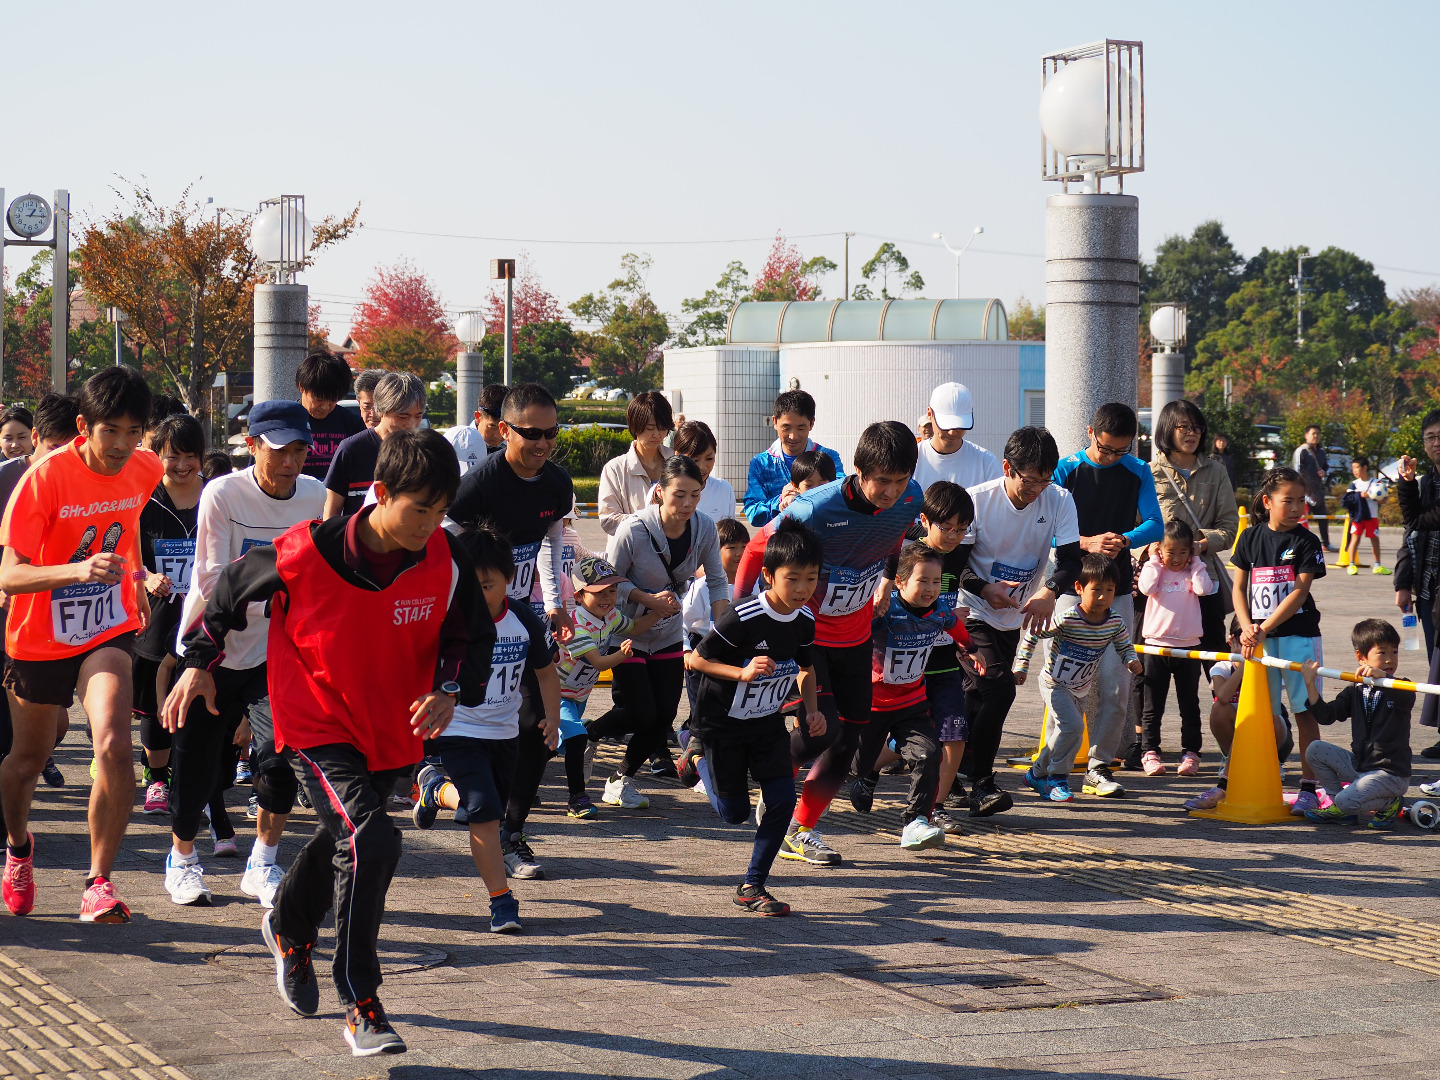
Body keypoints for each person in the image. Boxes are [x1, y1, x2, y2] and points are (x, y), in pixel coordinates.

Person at [166, 428, 480, 1057]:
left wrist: (449, 687)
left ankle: (287, 923)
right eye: (420, 509)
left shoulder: (445, 555)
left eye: (442, 511)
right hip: (314, 718)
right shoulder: (308, 550)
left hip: (390, 723)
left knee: (348, 837)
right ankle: (361, 1001)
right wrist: (199, 661)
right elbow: (226, 590)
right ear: (380, 492)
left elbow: (467, 632)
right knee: (373, 838)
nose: (430, 525)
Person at [0, 366, 162, 922]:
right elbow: (9, 575)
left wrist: (133, 578)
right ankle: (18, 848)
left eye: (133, 432)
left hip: (106, 626)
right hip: (38, 634)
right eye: (109, 431)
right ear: (82, 427)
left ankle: (98, 882)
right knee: (26, 761)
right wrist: (77, 571)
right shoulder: (43, 480)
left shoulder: (145, 466)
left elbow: (128, 522)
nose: (121, 445)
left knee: (115, 745)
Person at [734, 420, 921, 864]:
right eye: (882, 481)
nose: (891, 492)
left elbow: (893, 538)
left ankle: (798, 828)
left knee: (850, 738)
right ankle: (773, 782)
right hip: (807, 633)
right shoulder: (815, 508)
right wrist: (742, 619)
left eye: (900, 481)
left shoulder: (911, 498)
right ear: (858, 470)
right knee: (823, 729)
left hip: (855, 635)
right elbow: (756, 550)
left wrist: (886, 580)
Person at [165, 400, 328, 908]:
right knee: (197, 769)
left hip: (273, 651)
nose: (290, 462)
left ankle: (262, 862)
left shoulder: (315, 496)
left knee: (279, 760)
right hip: (211, 647)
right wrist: (280, 598)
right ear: (252, 445)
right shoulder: (223, 494)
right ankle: (182, 859)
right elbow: (214, 581)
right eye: (279, 450)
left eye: (299, 450)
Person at [447, 383, 575, 878]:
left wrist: (555, 601)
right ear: (504, 430)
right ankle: (435, 780)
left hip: (521, 613)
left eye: (552, 433)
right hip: (472, 618)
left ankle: (512, 833)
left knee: (537, 726)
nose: (543, 444)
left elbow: (552, 539)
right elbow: (442, 543)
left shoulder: (556, 482)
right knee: (467, 715)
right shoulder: (478, 484)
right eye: (532, 434)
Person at [413, 523, 560, 933]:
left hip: (504, 735)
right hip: (458, 731)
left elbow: (546, 673)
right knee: (485, 815)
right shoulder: (445, 621)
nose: (477, 596)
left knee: (486, 807)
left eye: (487, 586)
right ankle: (502, 900)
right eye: (467, 586)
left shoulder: (524, 619)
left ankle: (434, 789)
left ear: (509, 578)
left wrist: (551, 718)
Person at [679, 518, 825, 916]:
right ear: (768, 576)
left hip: (765, 724)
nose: (802, 589)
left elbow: (806, 669)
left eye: (811, 579)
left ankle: (752, 885)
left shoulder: (805, 621)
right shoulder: (742, 617)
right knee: (735, 814)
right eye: (793, 579)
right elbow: (697, 660)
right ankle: (695, 754)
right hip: (722, 724)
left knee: (782, 801)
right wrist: (741, 672)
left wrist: (811, 711)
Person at [954, 428, 1082, 815]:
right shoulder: (977, 501)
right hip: (971, 611)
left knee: (974, 698)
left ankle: (949, 770)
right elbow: (953, 566)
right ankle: (982, 782)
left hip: (1014, 616)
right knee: (1000, 690)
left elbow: (1072, 560)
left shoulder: (1059, 499)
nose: (1038, 490)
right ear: (1007, 467)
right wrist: (985, 588)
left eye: (1045, 480)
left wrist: (1049, 591)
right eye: (1030, 480)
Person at [596, 455, 729, 806]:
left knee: (664, 716)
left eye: (695, 495)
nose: (687, 504)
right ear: (659, 492)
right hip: (627, 632)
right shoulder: (634, 529)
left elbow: (717, 582)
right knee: (641, 712)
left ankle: (620, 778)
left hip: (668, 632)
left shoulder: (703, 528)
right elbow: (609, 581)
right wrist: (647, 599)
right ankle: (586, 735)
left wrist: (722, 632)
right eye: (679, 494)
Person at [1051, 402, 1163, 798]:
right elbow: (1045, 526)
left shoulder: (1138, 470)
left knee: (1117, 685)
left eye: (1121, 450)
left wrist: (1126, 539)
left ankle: (1098, 767)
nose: (1113, 457)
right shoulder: (1065, 469)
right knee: (1062, 682)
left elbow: (1155, 523)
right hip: (1072, 588)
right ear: (1090, 433)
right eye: (1105, 448)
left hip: (1116, 591)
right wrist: (1085, 542)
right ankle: (1054, 768)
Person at [850, 543, 977, 849]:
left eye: (936, 581)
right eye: (923, 581)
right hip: (874, 704)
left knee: (929, 753)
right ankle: (821, 793)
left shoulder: (939, 610)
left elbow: (954, 626)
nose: (931, 588)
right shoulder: (885, 610)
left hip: (912, 702)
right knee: (856, 765)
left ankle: (916, 821)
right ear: (900, 582)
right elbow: (853, 633)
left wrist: (970, 649)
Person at [871, 481, 974, 833]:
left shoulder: (958, 554)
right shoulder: (903, 554)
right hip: (905, 667)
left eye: (962, 529)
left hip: (943, 661)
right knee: (912, 739)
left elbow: (967, 579)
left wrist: (967, 644)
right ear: (926, 521)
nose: (954, 536)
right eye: (947, 527)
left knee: (954, 733)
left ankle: (935, 808)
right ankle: (866, 768)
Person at [1231, 466, 1328, 814]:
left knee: (1305, 712)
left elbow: (1299, 593)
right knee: (1265, 714)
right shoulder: (1249, 537)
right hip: (1259, 641)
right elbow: (1238, 588)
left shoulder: (1307, 541)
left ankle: (1309, 787)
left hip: (1298, 638)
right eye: (1288, 500)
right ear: (1267, 502)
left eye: (1301, 500)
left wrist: (1263, 627)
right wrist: (1247, 627)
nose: (1296, 507)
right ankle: (1261, 777)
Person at [0, 395, 83, 796]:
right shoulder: (7, 479)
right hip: (9, 618)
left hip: (57, 618)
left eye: (72, 448)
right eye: (54, 448)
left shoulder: (84, 480)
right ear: (36, 439)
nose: (63, 458)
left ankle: (36, 756)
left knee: (57, 723)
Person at [1014, 553, 1143, 802]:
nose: (1103, 597)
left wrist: (1131, 660)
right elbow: (1033, 633)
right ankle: (1057, 778)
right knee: (1073, 728)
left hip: (1079, 688)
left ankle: (1036, 774)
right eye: (1097, 590)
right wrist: (1021, 665)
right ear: (1079, 588)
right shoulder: (1068, 618)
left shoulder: (1114, 621)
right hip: (1055, 683)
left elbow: (1124, 646)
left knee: (1066, 733)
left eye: (1110, 590)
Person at [545, 557, 661, 819]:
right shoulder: (575, 626)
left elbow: (634, 627)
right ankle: (577, 799)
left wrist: (659, 612)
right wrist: (622, 655)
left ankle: (519, 783)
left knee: (553, 746)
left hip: (578, 697)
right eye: (598, 592)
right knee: (577, 738)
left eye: (612, 590)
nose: (607, 597)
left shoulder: (610, 616)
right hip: (555, 695)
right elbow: (598, 662)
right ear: (578, 595)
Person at [135, 414, 206, 818]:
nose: (181, 466)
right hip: (158, 612)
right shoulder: (143, 498)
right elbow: (125, 551)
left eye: (190, 456)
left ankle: (195, 775)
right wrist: (145, 577)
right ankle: (157, 778)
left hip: (204, 612)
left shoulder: (216, 495)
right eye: (172, 456)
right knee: (153, 700)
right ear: (157, 456)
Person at [1300, 619, 1411, 828]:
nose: (1390, 659)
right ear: (1361, 657)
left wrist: (1383, 677)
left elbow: (1406, 697)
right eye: (1382, 653)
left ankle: (1390, 803)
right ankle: (1342, 810)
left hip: (1391, 774)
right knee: (1314, 749)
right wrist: (1309, 683)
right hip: (1362, 767)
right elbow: (1326, 716)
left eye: (1394, 652)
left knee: (1346, 801)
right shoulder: (1355, 689)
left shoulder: (1401, 687)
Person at [1149, 400, 1239, 657]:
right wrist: (1151, 550)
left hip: (1203, 578)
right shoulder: (1149, 472)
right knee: (1153, 663)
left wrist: (1199, 546)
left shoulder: (1216, 471)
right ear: (1167, 429)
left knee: (1213, 657)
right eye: (1184, 427)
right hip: (1158, 583)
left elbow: (1229, 527)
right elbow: (1133, 527)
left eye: (1197, 428)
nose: (1192, 433)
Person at [1182, 617, 1295, 812]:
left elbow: (1269, 702)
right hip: (1235, 732)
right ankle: (1232, 764)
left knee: (1271, 715)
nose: (1251, 647)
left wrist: (1253, 663)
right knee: (1219, 709)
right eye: (1245, 642)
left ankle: (1271, 763)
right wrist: (1243, 665)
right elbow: (1223, 696)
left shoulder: (1268, 664)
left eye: (1256, 643)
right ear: (1232, 641)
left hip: (1271, 735)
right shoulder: (1222, 666)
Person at [1136, 520, 1213, 777]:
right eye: (1170, 552)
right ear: (1160, 549)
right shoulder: (1155, 569)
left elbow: (1204, 589)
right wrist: (1154, 560)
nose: (1177, 558)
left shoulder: (1193, 570)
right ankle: (1149, 752)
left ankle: (1191, 753)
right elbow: (1146, 587)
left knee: (1189, 705)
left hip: (1188, 648)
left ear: (1191, 551)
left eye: (1183, 552)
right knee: (1152, 706)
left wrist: (1197, 561)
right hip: (1156, 647)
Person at [323, 373, 426, 519]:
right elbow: (331, 513)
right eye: (402, 417)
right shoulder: (352, 449)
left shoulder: (424, 452)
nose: (411, 424)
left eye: (418, 416)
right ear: (380, 411)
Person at [1396, 418, 1440, 749]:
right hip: (1428, 587)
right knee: (1435, 664)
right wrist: (1403, 583)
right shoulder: (1426, 482)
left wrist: (1408, 489)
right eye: (1430, 437)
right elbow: (1411, 531)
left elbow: (1415, 520)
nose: (1436, 443)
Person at [683, 518, 749, 727]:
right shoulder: (702, 586)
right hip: (703, 652)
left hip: (737, 655)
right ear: (714, 552)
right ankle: (691, 737)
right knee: (702, 711)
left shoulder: (755, 584)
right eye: (732, 547)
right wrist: (686, 651)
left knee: (730, 711)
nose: (740, 553)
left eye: (744, 547)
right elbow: (682, 623)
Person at [743, 389, 845, 526]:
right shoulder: (761, 463)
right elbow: (753, 513)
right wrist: (781, 501)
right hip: (779, 539)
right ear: (775, 422)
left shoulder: (829, 457)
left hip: (820, 537)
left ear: (812, 423)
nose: (793, 436)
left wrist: (802, 498)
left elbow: (841, 497)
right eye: (786, 428)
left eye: (801, 428)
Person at [599, 391, 675, 535]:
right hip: (629, 548)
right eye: (650, 428)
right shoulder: (615, 469)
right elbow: (608, 519)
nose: (657, 434)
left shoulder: (677, 462)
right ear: (635, 426)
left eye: (662, 428)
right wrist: (652, 521)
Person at [912, 383, 1002, 493]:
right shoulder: (911, 460)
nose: (952, 432)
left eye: (959, 425)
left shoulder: (987, 463)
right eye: (945, 425)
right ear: (930, 414)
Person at [296, 351, 364, 481]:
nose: (325, 407)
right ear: (302, 387)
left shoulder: (352, 424)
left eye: (333, 400)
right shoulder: (287, 421)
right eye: (319, 399)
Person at [674, 420, 735, 525]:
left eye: (709, 458)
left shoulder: (723, 490)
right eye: (695, 460)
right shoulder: (661, 492)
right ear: (678, 455)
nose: (702, 467)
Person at [1342, 455, 1391, 576]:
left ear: (1365, 468)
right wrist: (1359, 496)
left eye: (1357, 467)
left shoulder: (1376, 483)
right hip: (1358, 517)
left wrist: (1374, 497)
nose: (1355, 471)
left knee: (1375, 540)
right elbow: (1347, 500)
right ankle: (1351, 564)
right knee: (1355, 539)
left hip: (1372, 516)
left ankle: (1377, 565)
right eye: (1353, 468)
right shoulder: (1354, 484)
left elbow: (1384, 500)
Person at [446, 382, 507, 474]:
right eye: (492, 426)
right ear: (478, 416)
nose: (498, 435)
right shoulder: (459, 439)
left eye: (505, 427)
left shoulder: (513, 447)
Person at [1292, 424, 1334, 551]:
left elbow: (1326, 467)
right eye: (1313, 433)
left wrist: (1324, 472)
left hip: (1318, 491)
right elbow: (1297, 471)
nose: (1316, 436)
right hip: (1304, 492)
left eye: (1318, 433)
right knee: (1300, 519)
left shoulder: (1322, 452)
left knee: (1323, 518)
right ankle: (1297, 543)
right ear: (1306, 435)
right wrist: (1301, 490)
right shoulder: (1301, 451)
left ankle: (1325, 543)